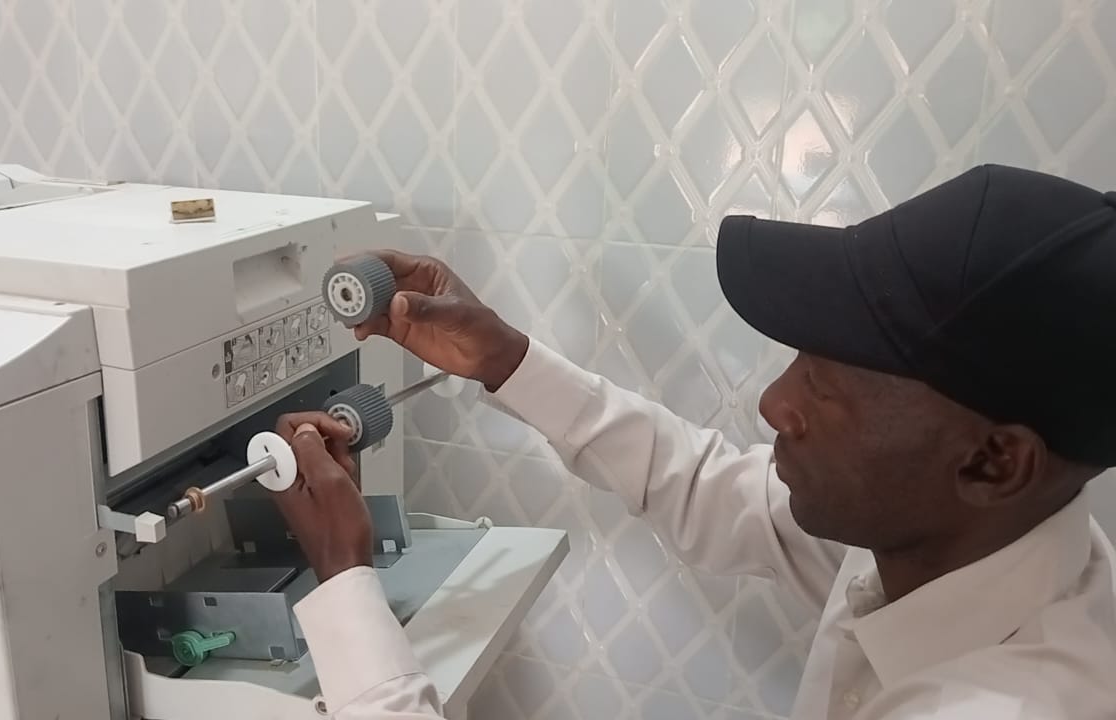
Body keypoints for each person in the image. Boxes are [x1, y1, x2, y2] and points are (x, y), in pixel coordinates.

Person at [270, 164, 1116, 719]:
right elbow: (709, 487)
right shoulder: (956, 541)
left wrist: (345, 583)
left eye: (827, 384)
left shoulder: (1010, 703)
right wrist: (505, 359)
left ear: (994, 461)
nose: (774, 402)